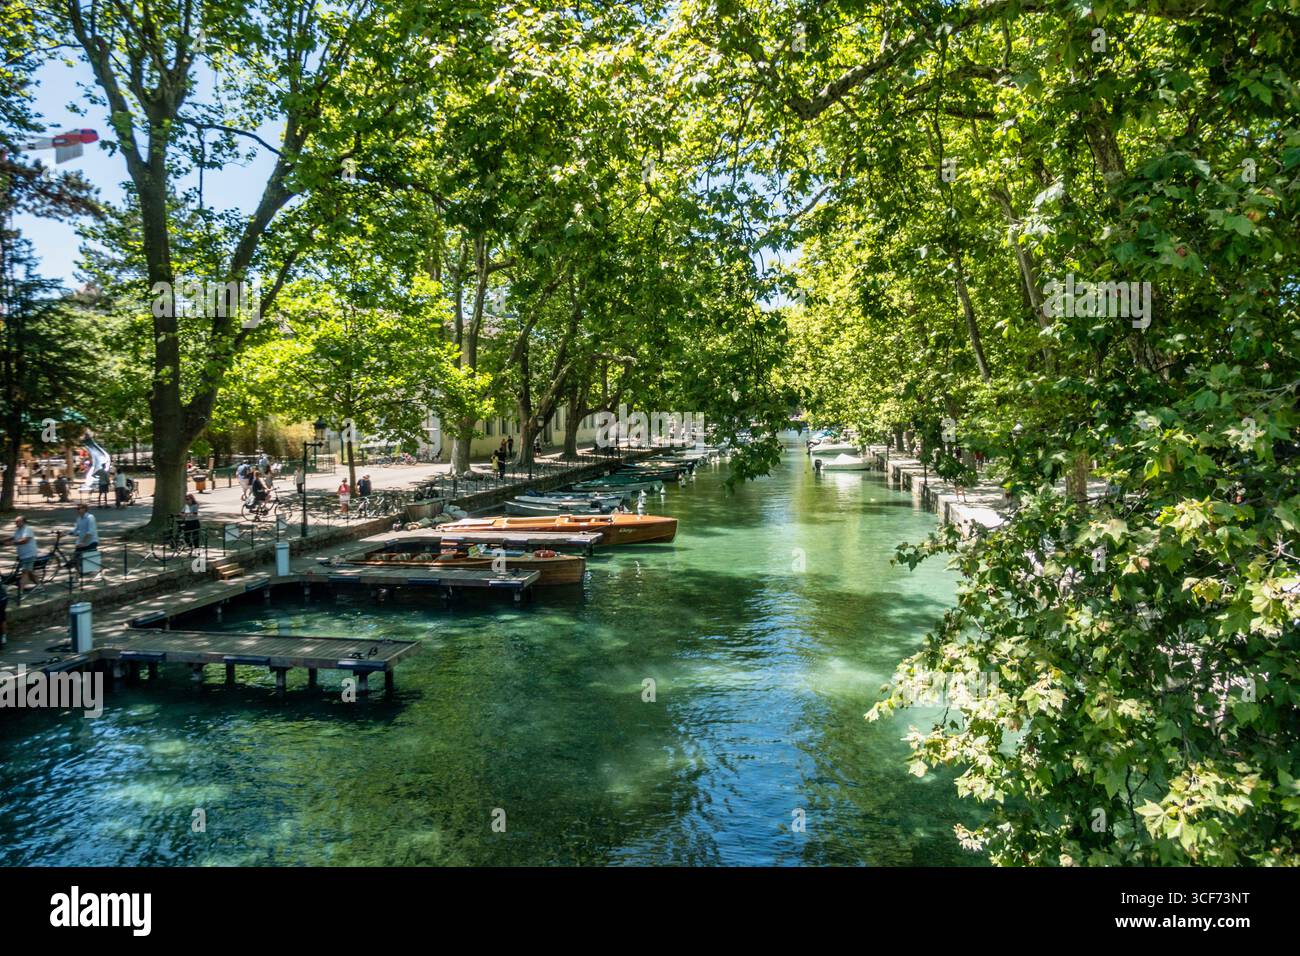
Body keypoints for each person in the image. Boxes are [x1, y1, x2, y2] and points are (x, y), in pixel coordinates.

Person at [9, 516, 39, 591]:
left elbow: (25, 540)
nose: (16, 523)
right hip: (23, 554)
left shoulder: (27, 529)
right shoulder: (18, 530)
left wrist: (11, 543)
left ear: (23, 522)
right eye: (15, 521)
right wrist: (2, 541)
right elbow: (12, 537)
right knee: (29, 572)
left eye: (17, 521)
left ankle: (20, 592)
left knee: (25, 572)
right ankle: (39, 586)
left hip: (29, 554)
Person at [71, 502, 99, 575]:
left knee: (92, 565)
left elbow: (90, 532)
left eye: (79, 509)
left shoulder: (90, 517)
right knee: (75, 560)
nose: (77, 510)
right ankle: (79, 575)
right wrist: (65, 533)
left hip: (91, 542)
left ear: (85, 509)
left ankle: (97, 574)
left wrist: (83, 542)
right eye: (77, 509)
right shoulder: (79, 518)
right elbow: (76, 529)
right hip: (82, 542)